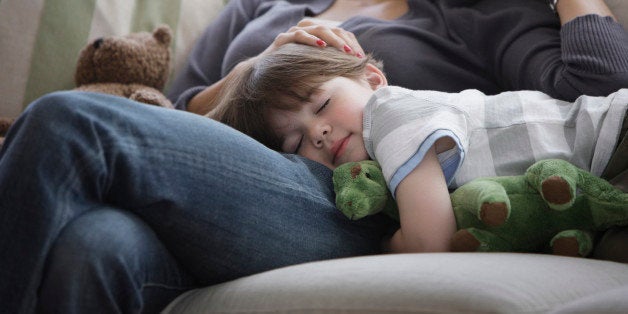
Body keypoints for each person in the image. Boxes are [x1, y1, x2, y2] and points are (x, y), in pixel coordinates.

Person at [1, 0, 627, 312]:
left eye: (321, 101)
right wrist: (255, 69)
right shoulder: (262, 10)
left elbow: (603, 88)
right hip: (197, 192)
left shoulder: (470, 15)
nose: (317, 126)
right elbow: (171, 111)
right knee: (94, 246)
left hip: (348, 203)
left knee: (68, 119)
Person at [209, 42, 628, 253]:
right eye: (295, 141)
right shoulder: (379, 168)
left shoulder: (390, 114)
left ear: (372, 80)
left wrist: (381, 245)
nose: (317, 132)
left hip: (613, 136)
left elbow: (431, 240)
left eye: (322, 104)